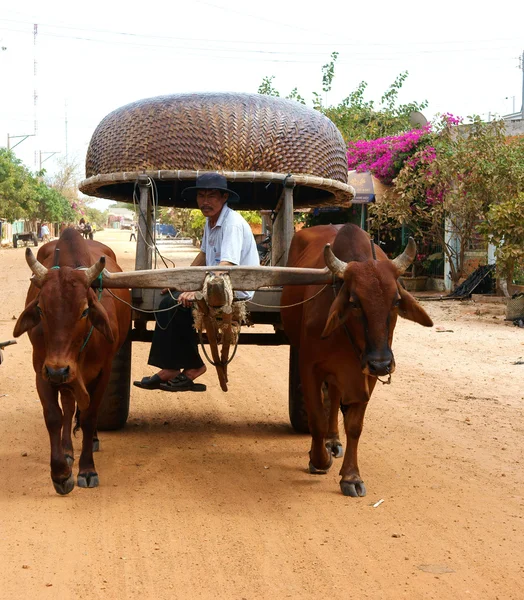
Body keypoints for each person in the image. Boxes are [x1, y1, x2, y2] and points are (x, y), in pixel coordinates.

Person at [134, 172, 259, 392]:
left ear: (224, 198)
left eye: (211, 196)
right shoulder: (211, 222)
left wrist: (197, 291)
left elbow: (226, 266)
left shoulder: (231, 224)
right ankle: (172, 367)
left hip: (235, 290)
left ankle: (192, 368)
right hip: (216, 284)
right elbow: (203, 257)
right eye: (201, 195)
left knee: (180, 306)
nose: (205, 201)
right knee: (168, 300)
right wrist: (180, 281)